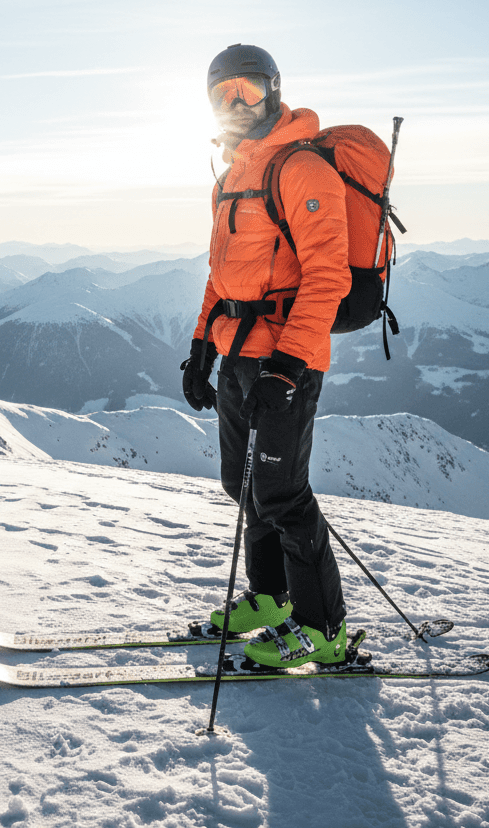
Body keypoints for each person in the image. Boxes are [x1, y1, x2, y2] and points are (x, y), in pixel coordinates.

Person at [181, 43, 351, 668]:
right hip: (237, 354)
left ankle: (322, 627)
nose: (236, 104)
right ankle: (272, 598)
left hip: (286, 357)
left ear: (275, 89)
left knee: (281, 493)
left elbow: (328, 275)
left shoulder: (302, 169)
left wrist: (289, 362)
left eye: (248, 89)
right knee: (244, 485)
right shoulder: (229, 176)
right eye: (223, 94)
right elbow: (218, 274)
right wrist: (201, 345)